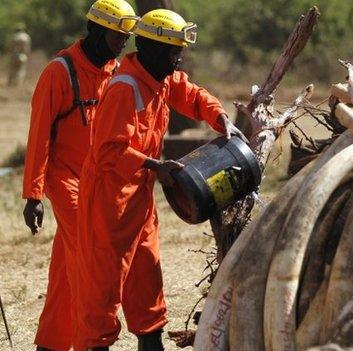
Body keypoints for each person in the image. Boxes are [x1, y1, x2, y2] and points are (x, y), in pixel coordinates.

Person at [72, 9, 245, 351]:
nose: (178, 58)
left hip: (139, 201)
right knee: (102, 296)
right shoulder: (125, 88)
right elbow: (108, 152)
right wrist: (155, 166)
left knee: (146, 285)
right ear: (150, 48)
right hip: (107, 207)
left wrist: (220, 117)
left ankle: (151, 342)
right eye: (173, 51)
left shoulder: (161, 79)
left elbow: (193, 95)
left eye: (180, 51)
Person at [20, 1, 138, 350]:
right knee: (93, 260)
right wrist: (33, 194)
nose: (122, 44)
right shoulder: (59, 71)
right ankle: (94, 342)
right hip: (66, 181)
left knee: (67, 271)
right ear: (97, 31)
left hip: (98, 183)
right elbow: (39, 135)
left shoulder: (116, 71)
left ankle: (51, 344)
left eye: (126, 37)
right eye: (117, 36)